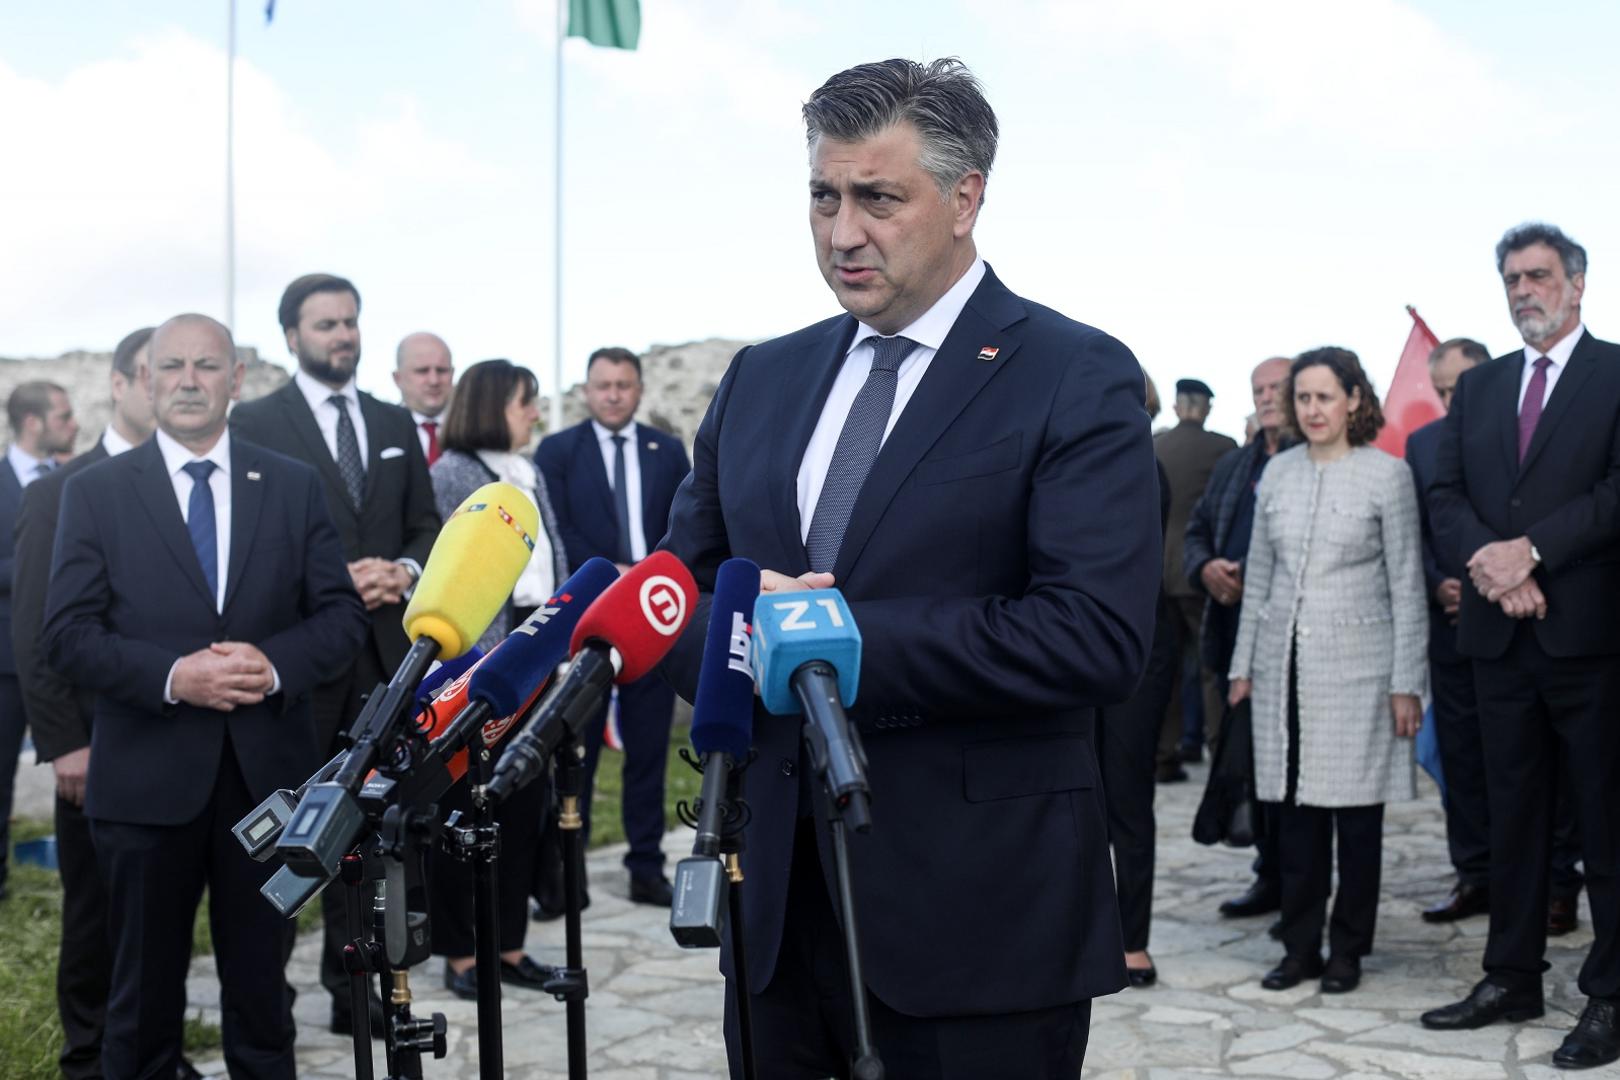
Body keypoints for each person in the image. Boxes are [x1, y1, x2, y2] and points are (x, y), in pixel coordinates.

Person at [659, 58, 1159, 1076]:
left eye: (878, 198)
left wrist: (828, 644)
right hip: (776, 920)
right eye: (823, 196)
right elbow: (682, 592)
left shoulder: (1076, 374)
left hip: (980, 926)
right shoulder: (761, 377)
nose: (843, 232)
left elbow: (1094, 637)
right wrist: (731, 637)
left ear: (967, 196)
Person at [43, 314, 368, 1080]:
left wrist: (275, 662)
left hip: (268, 792)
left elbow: (342, 616)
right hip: (145, 790)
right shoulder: (93, 494)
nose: (190, 379)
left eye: (207, 365)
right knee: (142, 1005)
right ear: (147, 380)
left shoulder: (291, 484)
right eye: (174, 365)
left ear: (237, 380)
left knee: (262, 1002)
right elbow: (66, 634)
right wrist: (172, 676)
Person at [1421, 222, 1620, 1070]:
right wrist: (1498, 569)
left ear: (1577, 283)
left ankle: (1610, 998)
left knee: (1608, 826)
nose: (1523, 291)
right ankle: (1511, 975)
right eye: (1510, 279)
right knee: (1513, 820)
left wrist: (1530, 551)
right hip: (1499, 642)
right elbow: (1445, 488)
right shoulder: (1483, 386)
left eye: (1538, 276)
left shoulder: (1617, 374)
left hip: (1593, 641)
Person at [229, 273, 440, 1035]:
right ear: (292, 336)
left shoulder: (392, 421)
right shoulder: (252, 423)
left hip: (388, 663)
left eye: (350, 323)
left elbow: (426, 525)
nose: (342, 336)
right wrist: (326, 581)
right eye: (325, 325)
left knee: (377, 832)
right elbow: (244, 545)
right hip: (304, 665)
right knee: (295, 834)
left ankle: (360, 995)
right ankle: (266, 1005)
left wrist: (405, 570)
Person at [10, 330, 183, 1079]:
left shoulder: (196, 481)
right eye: (157, 374)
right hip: (97, 744)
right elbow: (35, 634)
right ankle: (88, 1058)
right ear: (119, 384)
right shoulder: (61, 488)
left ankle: (156, 1053)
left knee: (166, 918)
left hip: (181, 740)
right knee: (95, 916)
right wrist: (65, 743)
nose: (175, 387)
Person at [1228, 346, 1426, 995]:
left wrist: (1406, 682)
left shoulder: (1386, 476)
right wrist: (1242, 667)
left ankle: (1349, 949)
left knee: (1356, 821)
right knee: (1294, 819)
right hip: (1281, 666)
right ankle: (1300, 946)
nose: (1313, 409)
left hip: (1362, 673)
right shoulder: (1277, 475)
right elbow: (1258, 575)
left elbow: (1406, 583)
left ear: (1354, 402)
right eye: (1303, 398)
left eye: (1324, 396)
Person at [425, 358, 568, 999]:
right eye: (523, 402)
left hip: (536, 649)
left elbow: (554, 559)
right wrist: (481, 668)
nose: (533, 413)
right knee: (465, 811)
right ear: (489, 404)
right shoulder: (452, 474)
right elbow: (455, 574)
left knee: (523, 808)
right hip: (478, 665)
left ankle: (508, 946)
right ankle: (460, 955)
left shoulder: (528, 471)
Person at [535, 346, 691, 908]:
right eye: (603, 384)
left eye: (624, 384)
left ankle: (645, 866)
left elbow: (686, 522)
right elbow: (559, 531)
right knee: (576, 753)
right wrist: (611, 573)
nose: (614, 394)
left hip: (650, 621)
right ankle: (563, 876)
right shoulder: (557, 452)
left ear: (639, 389)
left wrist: (648, 575)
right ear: (586, 389)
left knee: (649, 749)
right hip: (589, 620)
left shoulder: (667, 451)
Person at [1183, 356, 1294, 923]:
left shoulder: (1309, 462)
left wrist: (1250, 568)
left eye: (1278, 386)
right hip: (1230, 631)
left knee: (1293, 772)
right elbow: (1197, 528)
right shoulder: (1235, 464)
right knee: (1249, 761)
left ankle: (1298, 887)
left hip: (1293, 640)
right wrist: (1207, 569)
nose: (1268, 396)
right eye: (1259, 388)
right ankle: (1269, 876)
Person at [1097, 370, 1178, 989]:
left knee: (1127, 798)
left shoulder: (1144, 472)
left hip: (1134, 654)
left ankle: (1132, 941)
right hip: (1075, 654)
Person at [0, 379, 79, 898]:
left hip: (63, 663)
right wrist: (41, 569)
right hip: (4, 663)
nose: (73, 426)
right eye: (63, 416)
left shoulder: (76, 481)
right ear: (34, 422)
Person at [1154, 377, 1237, 779]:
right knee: (1210, 666)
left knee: (1164, 670)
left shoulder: (1156, 446)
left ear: (1176, 407)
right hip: (1199, 572)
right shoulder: (1223, 449)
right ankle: (1218, 750)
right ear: (1205, 408)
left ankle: (1163, 755)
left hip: (1157, 574)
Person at [394, 331, 455, 465]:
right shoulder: (382, 433)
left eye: (442, 370)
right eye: (422, 371)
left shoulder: (472, 433)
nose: (434, 381)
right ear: (398, 378)